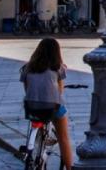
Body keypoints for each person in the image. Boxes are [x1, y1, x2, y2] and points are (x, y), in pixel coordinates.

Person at [20, 37, 74, 169]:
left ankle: (34, 146)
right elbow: (59, 92)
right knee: (64, 138)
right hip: (51, 107)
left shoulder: (27, 67)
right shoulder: (58, 68)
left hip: (31, 106)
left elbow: (26, 89)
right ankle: (69, 167)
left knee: (37, 115)